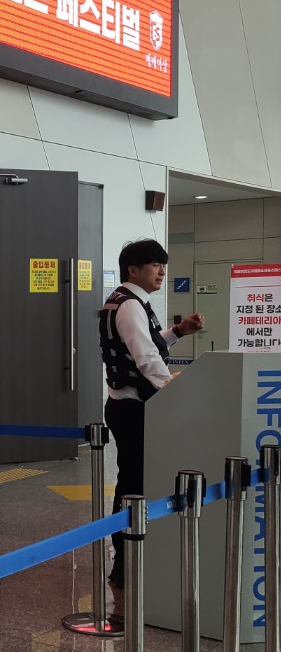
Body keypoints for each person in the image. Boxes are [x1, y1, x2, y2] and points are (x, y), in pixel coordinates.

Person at [100, 240, 204, 613]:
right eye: (155, 264)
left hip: (126, 405)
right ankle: (124, 563)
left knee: (133, 481)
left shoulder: (126, 301)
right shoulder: (130, 305)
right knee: (133, 485)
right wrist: (172, 389)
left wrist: (178, 331)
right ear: (133, 270)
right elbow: (145, 357)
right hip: (133, 409)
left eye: (163, 264)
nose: (162, 271)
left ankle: (128, 558)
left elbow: (144, 344)